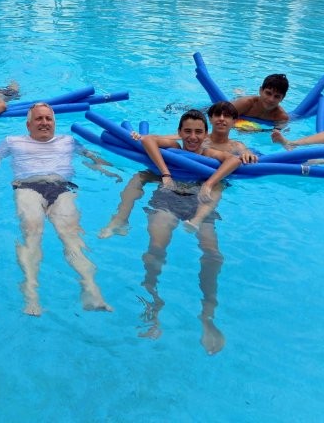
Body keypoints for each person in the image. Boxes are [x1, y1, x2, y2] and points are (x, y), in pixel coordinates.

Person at [99, 110, 242, 355]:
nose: (193, 137)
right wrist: (165, 174)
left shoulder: (209, 154)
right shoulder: (173, 147)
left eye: (198, 132)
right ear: (179, 133)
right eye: (188, 131)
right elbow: (147, 140)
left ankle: (207, 315)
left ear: (206, 134)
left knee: (213, 255)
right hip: (169, 197)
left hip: (199, 200)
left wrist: (209, 183)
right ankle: (153, 301)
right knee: (156, 248)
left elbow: (234, 160)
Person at [0, 102, 118, 316]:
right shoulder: (12, 141)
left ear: (54, 123)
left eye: (49, 119)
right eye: (39, 118)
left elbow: (91, 157)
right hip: (27, 187)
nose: (44, 122)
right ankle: (30, 291)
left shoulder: (68, 141)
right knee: (33, 230)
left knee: (71, 235)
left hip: (62, 188)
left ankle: (90, 289)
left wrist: (108, 171)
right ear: (28, 124)